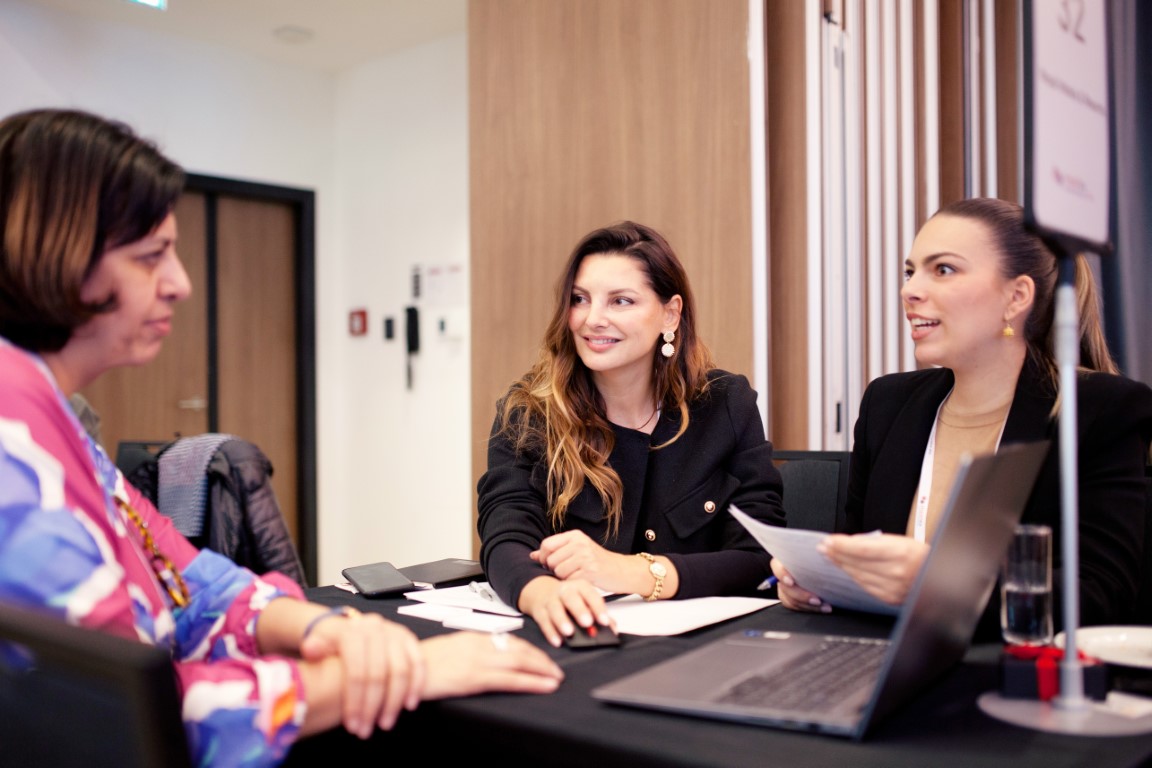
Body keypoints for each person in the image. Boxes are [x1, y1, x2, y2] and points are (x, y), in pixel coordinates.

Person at [0, 108, 563, 767]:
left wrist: (324, 628)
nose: (180, 283)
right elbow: (124, 715)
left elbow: (191, 584)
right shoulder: (14, 445)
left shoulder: (52, 418)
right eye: (151, 257)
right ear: (57, 254)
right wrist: (400, 670)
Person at [772, 197, 1152, 637]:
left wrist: (940, 583)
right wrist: (820, 581)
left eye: (944, 269)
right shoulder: (887, 403)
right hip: (880, 658)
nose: (910, 291)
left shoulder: (1100, 410)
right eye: (910, 272)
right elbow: (858, 551)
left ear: (1016, 297)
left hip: (1008, 669)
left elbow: (1100, 596)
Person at [477, 221, 785, 647]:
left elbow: (759, 557)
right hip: (579, 642)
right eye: (580, 299)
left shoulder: (725, 404)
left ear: (670, 314)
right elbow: (504, 532)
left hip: (703, 649)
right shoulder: (528, 412)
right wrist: (542, 593)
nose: (593, 319)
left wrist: (633, 573)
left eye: (621, 301)